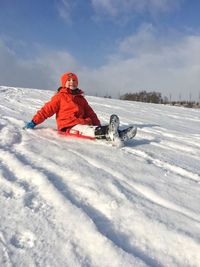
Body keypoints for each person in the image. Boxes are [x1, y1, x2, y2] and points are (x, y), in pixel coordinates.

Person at [24, 72, 118, 141]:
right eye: (68, 80)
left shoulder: (81, 99)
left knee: (89, 127)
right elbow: (46, 110)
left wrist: (97, 123)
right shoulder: (59, 97)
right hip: (68, 125)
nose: (71, 82)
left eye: (74, 80)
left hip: (81, 122)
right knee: (86, 130)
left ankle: (114, 132)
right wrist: (33, 122)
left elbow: (90, 113)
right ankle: (107, 132)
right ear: (64, 83)